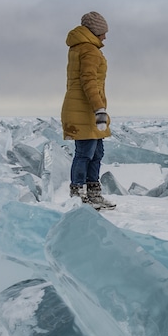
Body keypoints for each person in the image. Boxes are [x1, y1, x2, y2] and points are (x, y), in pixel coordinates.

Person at [61, 11, 116, 210]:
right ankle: (78, 195)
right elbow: (89, 82)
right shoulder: (89, 50)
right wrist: (99, 108)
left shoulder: (81, 48)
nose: (105, 37)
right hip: (84, 108)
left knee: (97, 152)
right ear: (94, 31)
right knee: (85, 153)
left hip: (85, 107)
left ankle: (93, 193)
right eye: (103, 32)